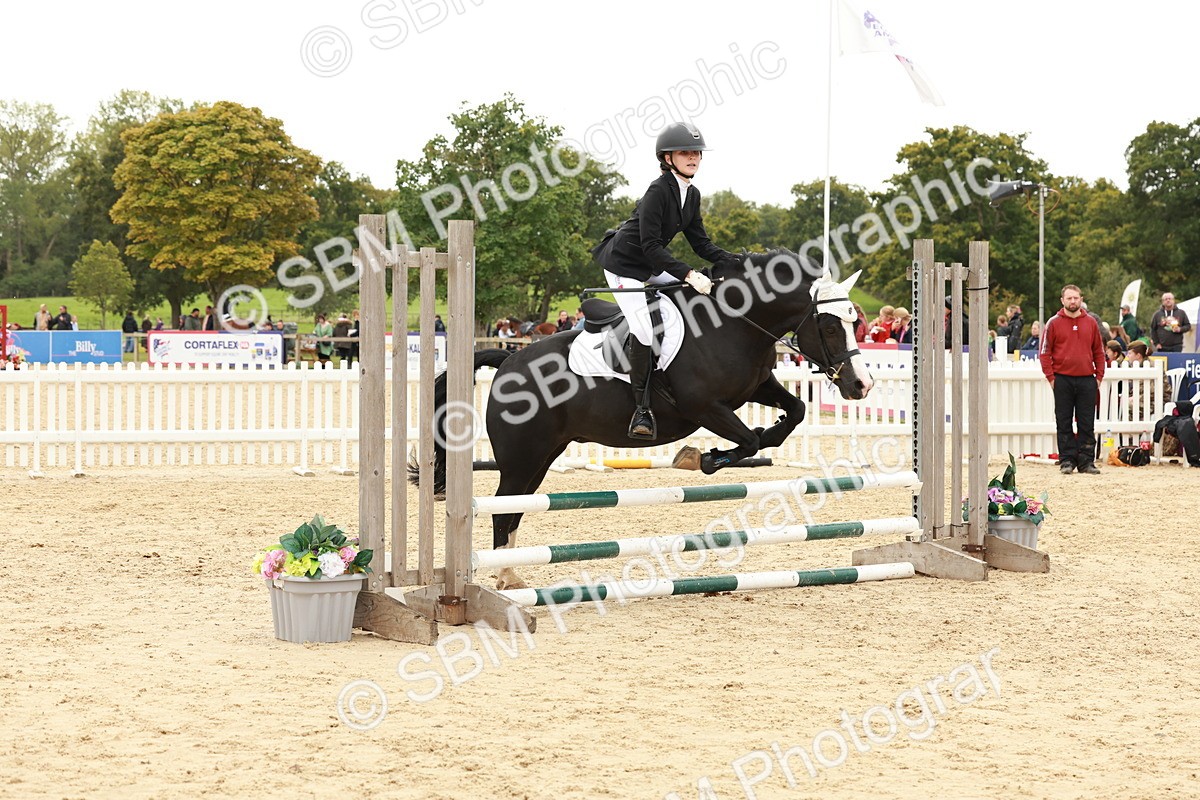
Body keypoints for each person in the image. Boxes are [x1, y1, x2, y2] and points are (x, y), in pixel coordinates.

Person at [589, 121, 735, 439]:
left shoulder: (691, 194)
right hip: (624, 265)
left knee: (691, 297)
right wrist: (687, 273)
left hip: (650, 263)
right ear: (668, 158)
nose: (693, 157)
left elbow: (701, 244)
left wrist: (736, 261)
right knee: (643, 327)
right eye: (685, 152)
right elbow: (650, 246)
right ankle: (641, 410)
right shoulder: (658, 190)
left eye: (696, 152)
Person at [1040, 284, 1106, 475]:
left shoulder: (1091, 322)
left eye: (1076, 298)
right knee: (1064, 420)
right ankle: (1067, 460)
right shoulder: (1053, 323)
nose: (1073, 301)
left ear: (1081, 299)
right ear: (1062, 301)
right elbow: (1045, 353)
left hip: (1087, 379)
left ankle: (1087, 462)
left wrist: (1098, 377)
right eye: (1069, 298)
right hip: (1062, 379)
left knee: (1087, 422)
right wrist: (1051, 378)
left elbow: (1099, 352)